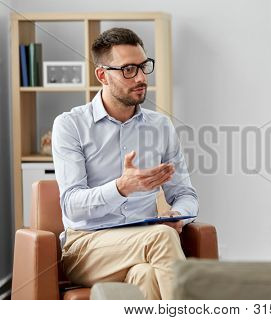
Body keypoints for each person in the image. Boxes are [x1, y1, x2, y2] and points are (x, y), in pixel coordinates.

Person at [52, 28, 198, 299]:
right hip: (86, 245)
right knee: (161, 238)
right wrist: (120, 187)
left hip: (143, 242)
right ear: (102, 75)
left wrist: (177, 215)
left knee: (146, 274)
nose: (142, 77)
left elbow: (185, 194)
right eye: (129, 69)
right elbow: (71, 203)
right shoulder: (70, 125)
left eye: (143, 66)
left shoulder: (160, 126)